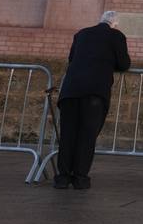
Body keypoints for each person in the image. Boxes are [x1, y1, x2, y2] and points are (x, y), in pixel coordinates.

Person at [55, 10, 131, 190]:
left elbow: (72, 58)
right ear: (114, 24)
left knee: (67, 135)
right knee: (87, 136)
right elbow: (124, 63)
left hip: (70, 91)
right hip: (95, 93)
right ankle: (80, 178)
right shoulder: (116, 36)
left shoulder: (81, 33)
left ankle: (62, 178)